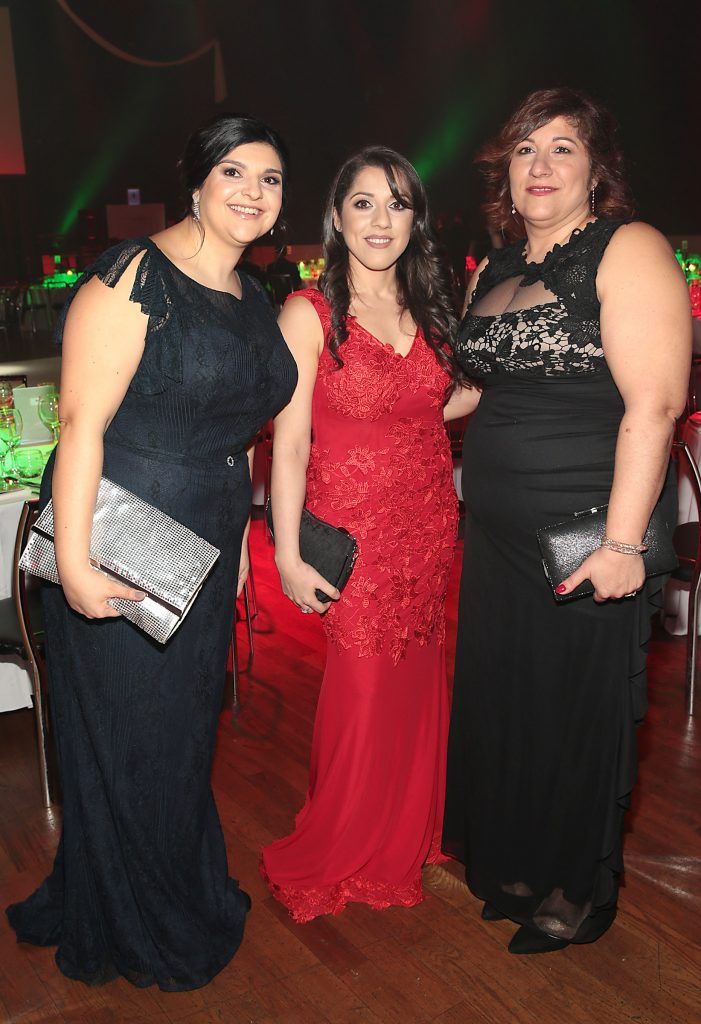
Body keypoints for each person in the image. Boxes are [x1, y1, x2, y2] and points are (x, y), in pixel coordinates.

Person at [6, 114, 297, 989]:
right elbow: (81, 426)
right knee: (132, 736)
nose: (253, 192)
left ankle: (162, 885)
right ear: (197, 181)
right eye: (235, 172)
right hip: (124, 526)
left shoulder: (256, 297)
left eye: (272, 179)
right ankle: (137, 918)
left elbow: (240, 432)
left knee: (175, 738)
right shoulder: (136, 276)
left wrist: (240, 538)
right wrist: (84, 564)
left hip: (205, 531)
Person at [442, 88, 691, 953]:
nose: (539, 166)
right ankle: (517, 862)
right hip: (499, 535)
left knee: (573, 711)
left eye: (560, 148)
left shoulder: (629, 249)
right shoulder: (496, 267)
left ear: (595, 169)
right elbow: (472, 388)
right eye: (523, 151)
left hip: (587, 526)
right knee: (511, 704)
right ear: (503, 174)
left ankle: (577, 894)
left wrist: (623, 543)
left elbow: (654, 405)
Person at [260, 146, 475, 922]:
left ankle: (407, 833)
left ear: (415, 218)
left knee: (418, 686)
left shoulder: (430, 308)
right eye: (363, 203)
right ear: (337, 217)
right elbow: (287, 443)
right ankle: (345, 843)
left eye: (396, 204)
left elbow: (432, 405)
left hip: (427, 527)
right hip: (355, 539)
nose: (380, 220)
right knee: (362, 692)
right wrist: (285, 553)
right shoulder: (307, 314)